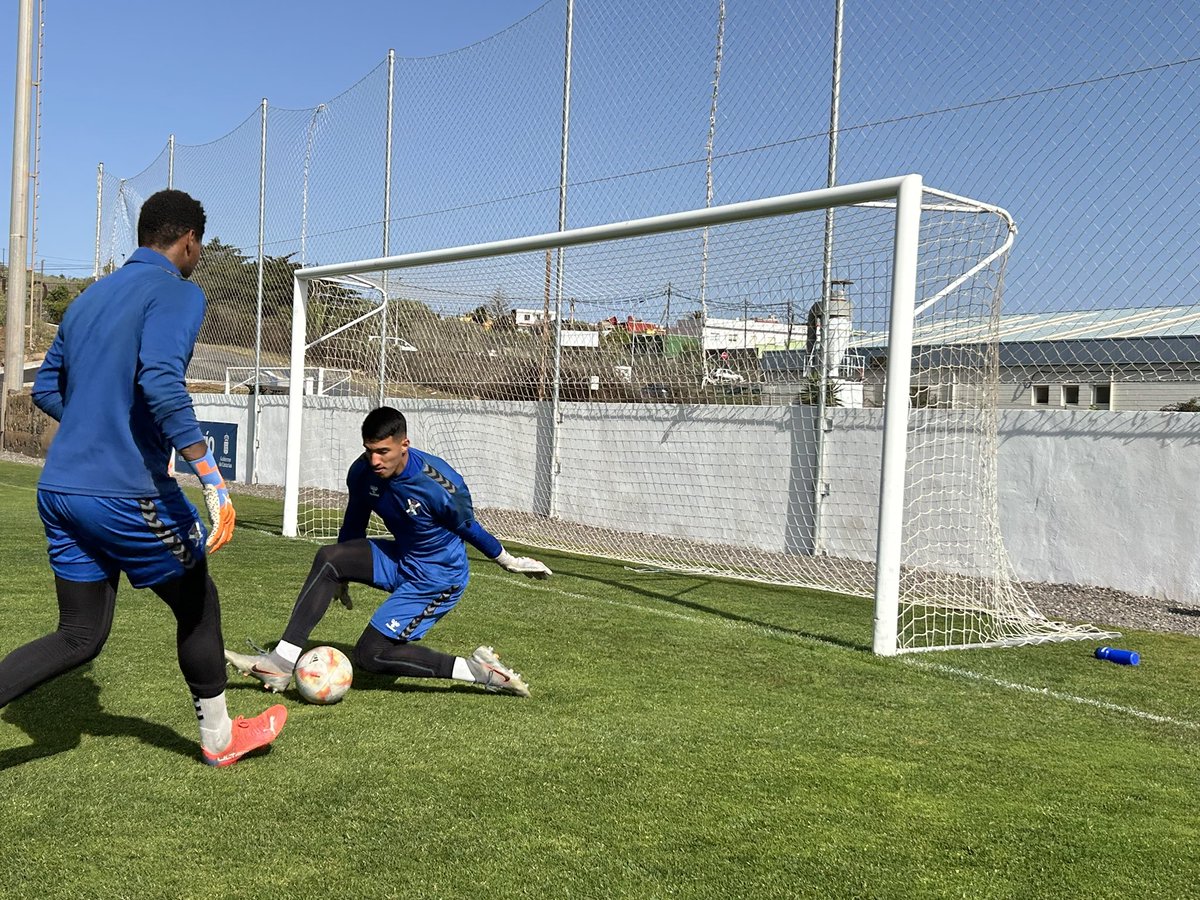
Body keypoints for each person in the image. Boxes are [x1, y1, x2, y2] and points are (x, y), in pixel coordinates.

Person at [0, 189, 287, 767]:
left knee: (80, 635)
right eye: (198, 248)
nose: (198, 258)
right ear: (188, 242)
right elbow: (160, 379)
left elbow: (48, 389)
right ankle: (220, 740)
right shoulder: (178, 292)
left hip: (60, 491)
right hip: (125, 492)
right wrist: (210, 475)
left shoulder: (87, 300)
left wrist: (93, 423)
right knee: (199, 603)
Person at [224, 406, 552, 698]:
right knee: (328, 559)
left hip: (438, 577)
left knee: (371, 655)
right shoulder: (363, 471)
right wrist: (342, 576)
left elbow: (469, 528)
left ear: (404, 445)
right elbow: (354, 522)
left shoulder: (440, 486)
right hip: (400, 557)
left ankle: (480, 671)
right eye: (369, 451)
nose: (375, 460)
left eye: (383, 451)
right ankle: (280, 664)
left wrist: (507, 560)